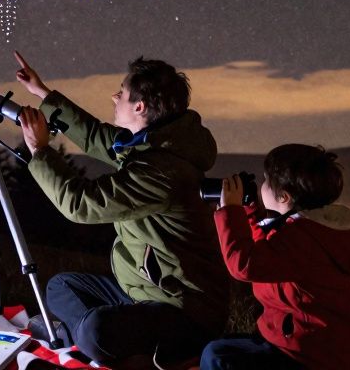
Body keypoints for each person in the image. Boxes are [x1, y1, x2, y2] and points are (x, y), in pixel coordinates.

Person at [12, 51, 229, 368]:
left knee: (97, 331)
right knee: (61, 286)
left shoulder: (160, 171)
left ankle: (89, 336)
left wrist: (40, 151)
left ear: (139, 107)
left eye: (122, 92)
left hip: (183, 310)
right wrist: (42, 93)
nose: (115, 96)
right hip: (142, 293)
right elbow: (96, 136)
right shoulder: (152, 145)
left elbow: (81, 204)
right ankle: (92, 334)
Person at [201, 145, 350, 370]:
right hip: (320, 345)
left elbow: (244, 265)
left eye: (266, 180)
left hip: (308, 354)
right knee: (223, 348)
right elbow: (268, 253)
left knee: (217, 356)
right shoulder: (314, 229)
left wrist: (229, 211)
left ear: (283, 196)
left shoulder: (301, 239)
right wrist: (250, 212)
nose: (262, 186)